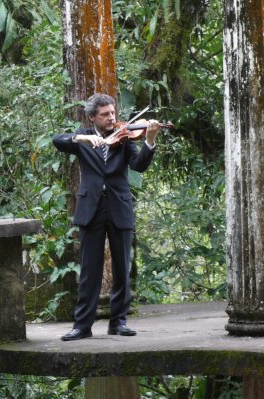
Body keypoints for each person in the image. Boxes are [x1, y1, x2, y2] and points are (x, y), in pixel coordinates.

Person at [52, 94, 161, 341]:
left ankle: (118, 322)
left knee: (122, 267)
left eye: (113, 113)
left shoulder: (124, 138)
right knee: (90, 269)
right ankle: (82, 326)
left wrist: (150, 140)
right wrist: (82, 138)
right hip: (91, 208)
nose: (112, 118)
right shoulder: (82, 137)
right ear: (92, 118)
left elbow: (138, 166)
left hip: (118, 207)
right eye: (105, 114)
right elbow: (57, 140)